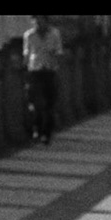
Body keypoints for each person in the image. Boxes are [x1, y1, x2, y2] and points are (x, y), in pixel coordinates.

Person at [22, 15, 63, 144]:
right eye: (36, 20)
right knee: (36, 103)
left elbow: (59, 51)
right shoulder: (29, 35)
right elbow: (26, 53)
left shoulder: (54, 33)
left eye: (41, 20)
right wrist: (25, 69)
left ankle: (47, 133)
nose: (38, 23)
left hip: (49, 70)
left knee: (49, 104)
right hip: (35, 71)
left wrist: (55, 59)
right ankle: (36, 128)